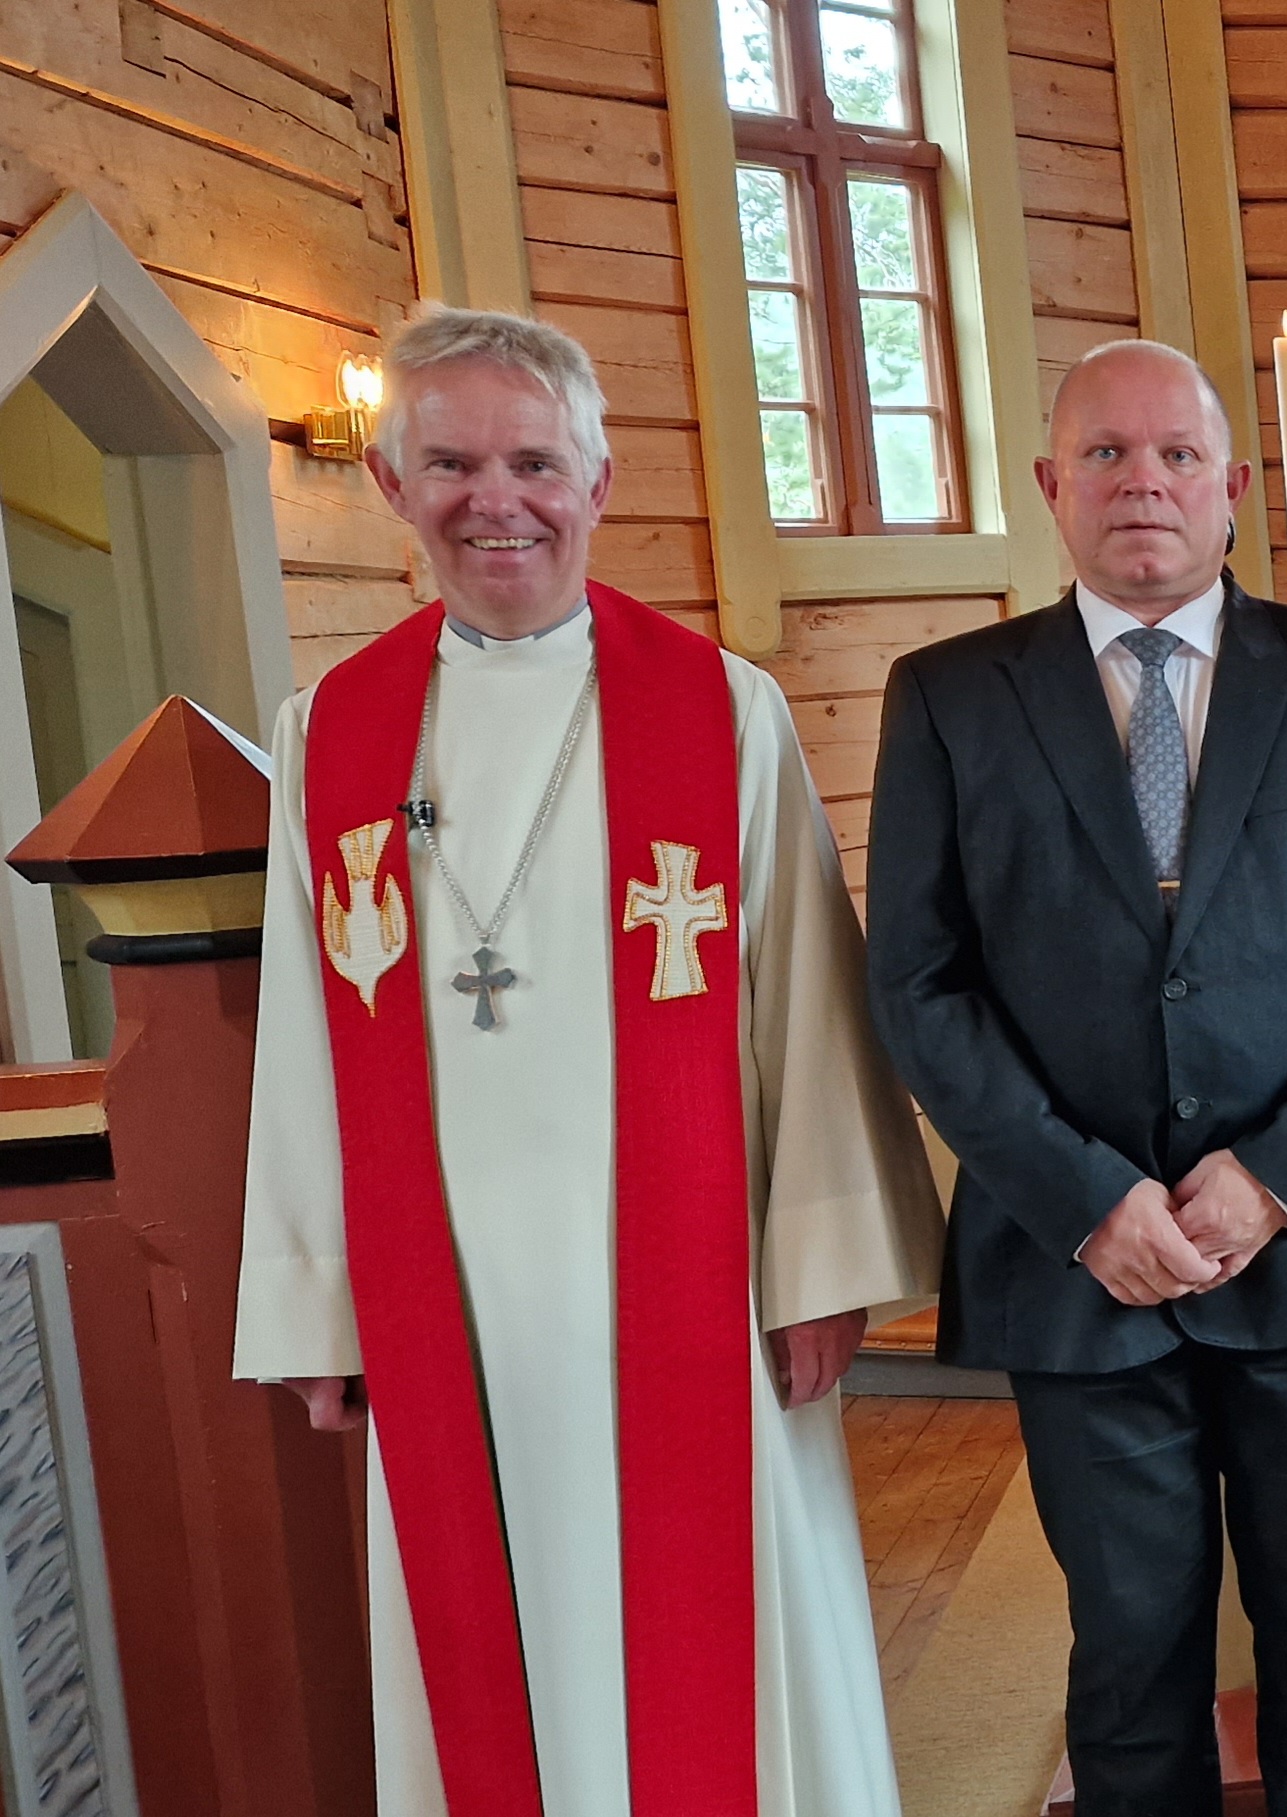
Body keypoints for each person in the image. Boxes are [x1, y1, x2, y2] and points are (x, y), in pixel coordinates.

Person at [233, 306, 941, 1814]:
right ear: (388, 480)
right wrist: (316, 1298)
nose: (500, 498)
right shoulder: (330, 732)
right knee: (482, 1645)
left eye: (535, 461)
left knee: (724, 1648)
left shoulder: (719, 708)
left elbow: (807, 999)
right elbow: (302, 1022)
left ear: (598, 481)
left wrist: (816, 1261)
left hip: (685, 1274)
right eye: (454, 463)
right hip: (448, 1294)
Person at [865, 339, 1287, 1816]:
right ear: (1049, 485)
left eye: (1178, 456)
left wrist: (1274, 1177)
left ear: (1236, 489)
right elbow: (920, 981)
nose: (1146, 483)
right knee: (1129, 1647)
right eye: (1110, 454)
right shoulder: (947, 696)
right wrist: (1087, 1196)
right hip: (1076, 1258)